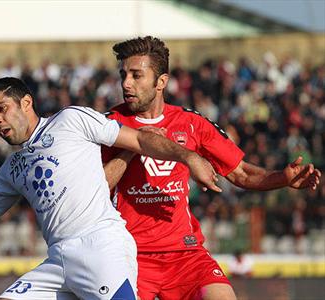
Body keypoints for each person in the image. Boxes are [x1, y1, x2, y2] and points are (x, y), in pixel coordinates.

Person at [0, 77, 221, 300]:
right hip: (58, 259)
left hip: (99, 244)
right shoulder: (12, 168)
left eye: (2, 109)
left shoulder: (70, 121)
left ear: (26, 103)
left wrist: (189, 157)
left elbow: (140, 139)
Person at [101, 36, 321, 300]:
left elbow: (240, 173)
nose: (126, 83)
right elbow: (96, 186)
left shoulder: (192, 123)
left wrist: (281, 178)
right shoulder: (108, 125)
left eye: (137, 75)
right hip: (130, 255)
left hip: (186, 255)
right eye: (123, 75)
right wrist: (138, 144)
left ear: (161, 82)